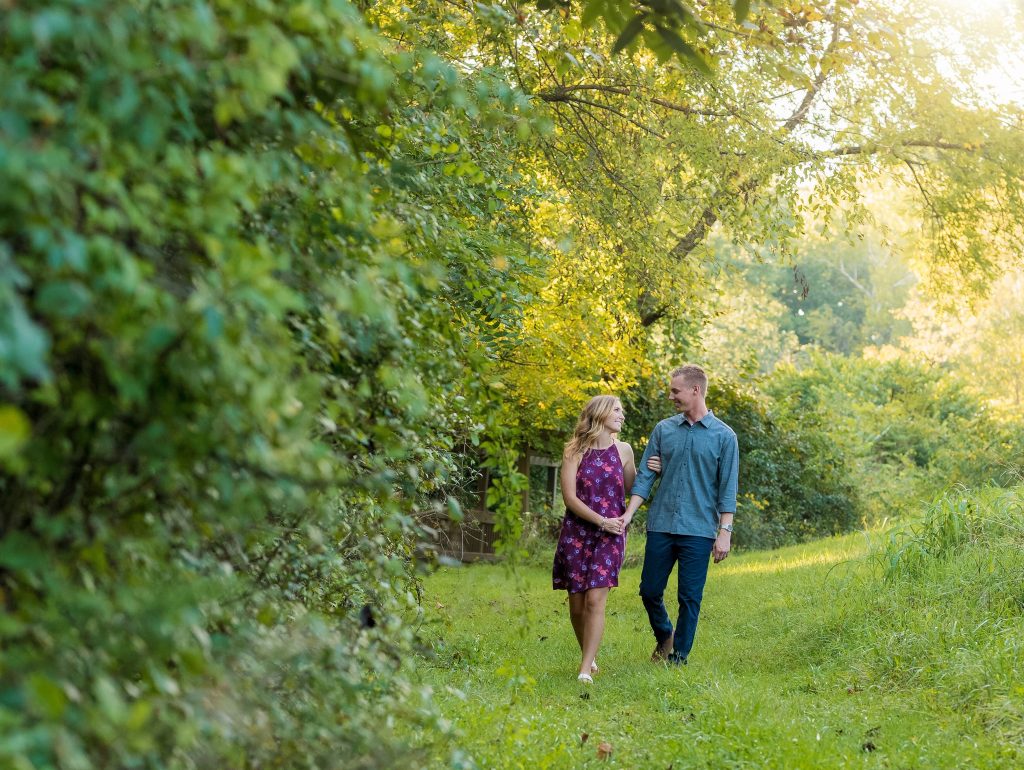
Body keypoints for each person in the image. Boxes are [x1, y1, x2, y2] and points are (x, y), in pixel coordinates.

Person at [621, 364, 738, 666]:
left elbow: (727, 490)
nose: (671, 396)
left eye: (676, 391)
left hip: (698, 530)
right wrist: (628, 514)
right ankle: (665, 634)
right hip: (661, 524)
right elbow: (645, 476)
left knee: (690, 597)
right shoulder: (664, 430)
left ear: (695, 390)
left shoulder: (724, 437)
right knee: (649, 590)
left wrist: (725, 532)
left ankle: (679, 657)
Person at [552, 395, 636, 683]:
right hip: (577, 533)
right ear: (600, 413)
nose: (622, 415)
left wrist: (653, 470)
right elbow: (569, 497)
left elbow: (632, 489)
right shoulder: (574, 451)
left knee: (594, 601)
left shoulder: (624, 450)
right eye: (617, 410)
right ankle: (590, 655)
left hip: (611, 535)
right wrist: (599, 520)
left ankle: (585, 668)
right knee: (576, 605)